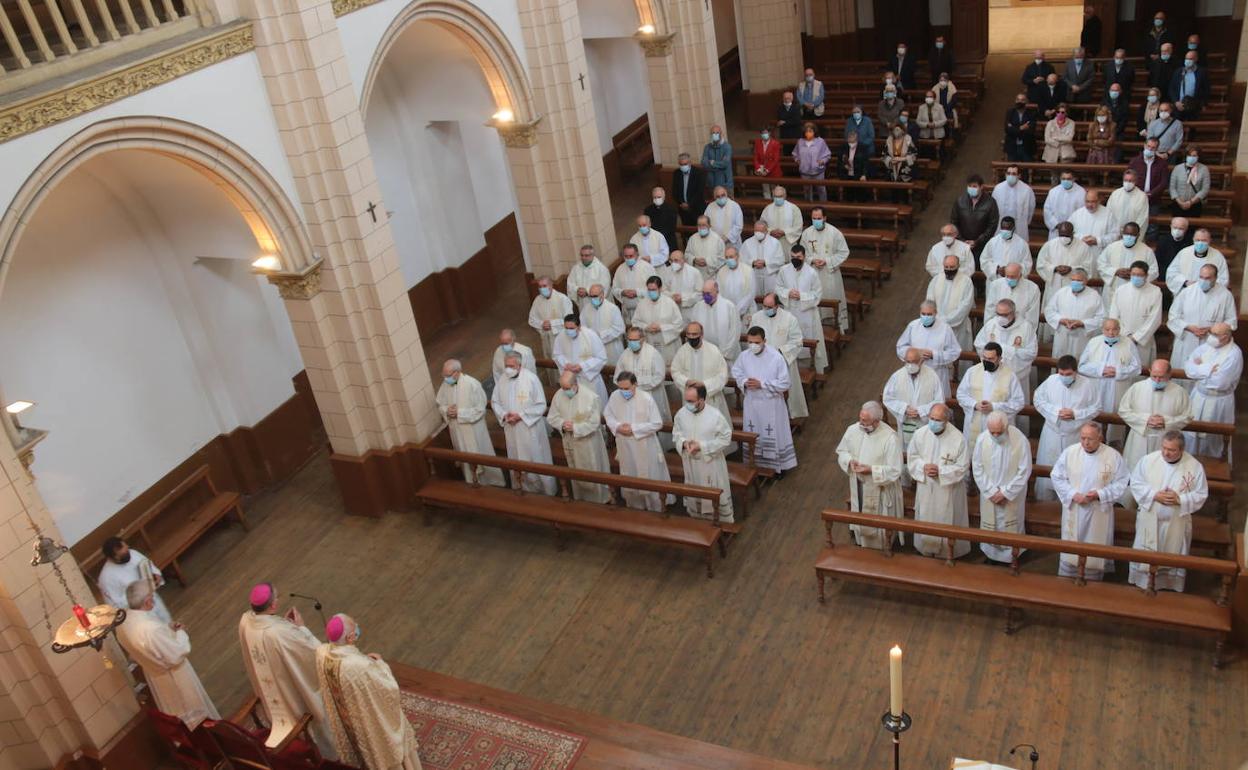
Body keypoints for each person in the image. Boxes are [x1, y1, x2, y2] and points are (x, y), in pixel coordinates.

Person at [239, 583, 336, 756]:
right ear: (273, 605)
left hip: (273, 686)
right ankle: (324, 753)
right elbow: (312, 651)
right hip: (290, 688)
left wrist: (284, 625)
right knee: (312, 708)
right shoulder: (278, 633)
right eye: (276, 597)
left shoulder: (245, 621)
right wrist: (300, 628)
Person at [316, 615, 423, 770]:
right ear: (350, 637)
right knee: (388, 737)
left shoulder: (321, 653)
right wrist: (379, 664)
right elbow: (389, 688)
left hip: (347, 722)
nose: (357, 628)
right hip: (368, 723)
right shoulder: (360, 666)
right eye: (355, 628)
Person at [117, 581, 218, 729]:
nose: (153, 599)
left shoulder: (123, 622)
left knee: (176, 715)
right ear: (147, 601)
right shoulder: (151, 629)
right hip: (175, 677)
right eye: (152, 596)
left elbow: (150, 645)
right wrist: (180, 632)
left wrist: (166, 629)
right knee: (194, 716)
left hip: (155, 676)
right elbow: (176, 654)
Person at [1127, 432, 1207, 593]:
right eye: (1164, 448)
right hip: (1149, 518)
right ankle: (1142, 581)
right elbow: (1135, 483)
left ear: (1182, 450)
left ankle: (1169, 584)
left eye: (1171, 450)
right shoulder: (1149, 460)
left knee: (1172, 552)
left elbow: (1201, 494)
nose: (1166, 453)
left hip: (1176, 522)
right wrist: (1154, 495)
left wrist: (1180, 499)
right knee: (1145, 551)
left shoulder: (1194, 466)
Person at [1050, 423, 1129, 580]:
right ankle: (1069, 575)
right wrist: (1073, 494)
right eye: (1083, 438)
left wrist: (1100, 494)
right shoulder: (1070, 453)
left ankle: (1093, 579)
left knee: (1094, 543)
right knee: (1072, 545)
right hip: (1075, 507)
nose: (1086, 442)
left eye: (1090, 439)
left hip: (1098, 510)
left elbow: (1122, 481)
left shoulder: (1112, 456)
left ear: (1100, 437)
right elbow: (1057, 476)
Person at [836, 401, 904, 549]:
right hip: (858, 484)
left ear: (877, 421)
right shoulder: (853, 430)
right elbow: (842, 451)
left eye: (865, 421)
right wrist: (849, 461)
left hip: (879, 489)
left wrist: (871, 470)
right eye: (860, 419)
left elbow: (895, 470)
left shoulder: (890, 438)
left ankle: (882, 547)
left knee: (879, 526)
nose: (861, 423)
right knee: (860, 513)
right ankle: (862, 544)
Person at [906, 403, 969, 558]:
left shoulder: (958, 439)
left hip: (947, 489)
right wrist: (923, 467)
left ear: (946, 421)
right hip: (926, 486)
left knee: (948, 519)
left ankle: (948, 552)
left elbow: (962, 467)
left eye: (938, 420)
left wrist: (941, 472)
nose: (933, 422)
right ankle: (925, 549)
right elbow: (912, 457)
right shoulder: (920, 434)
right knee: (925, 516)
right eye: (931, 418)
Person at [1033, 355, 1100, 500]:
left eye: (1068, 374)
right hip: (1053, 433)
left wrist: (1075, 414)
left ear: (1076, 372)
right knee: (1049, 468)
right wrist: (1056, 412)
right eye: (1061, 374)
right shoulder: (1051, 381)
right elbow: (1038, 400)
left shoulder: (1087, 385)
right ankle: (1045, 501)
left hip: (1075, 435)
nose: (1064, 377)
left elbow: (1096, 408)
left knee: (1072, 471)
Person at [732, 327, 796, 475]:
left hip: (771, 404)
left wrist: (762, 384)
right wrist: (745, 382)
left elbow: (785, 383)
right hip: (752, 403)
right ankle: (755, 467)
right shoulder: (744, 356)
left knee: (774, 434)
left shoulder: (776, 357)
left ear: (764, 341)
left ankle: (778, 468)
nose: (753, 345)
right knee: (754, 432)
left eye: (757, 342)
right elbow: (736, 372)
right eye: (750, 342)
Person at [490, 352, 557, 495]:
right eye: (506, 366)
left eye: (511, 366)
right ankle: (522, 488)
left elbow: (541, 405)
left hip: (529, 429)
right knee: (516, 457)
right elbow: (495, 401)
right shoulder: (503, 379)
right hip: (512, 430)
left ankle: (545, 491)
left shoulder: (531, 379)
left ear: (520, 366)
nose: (508, 369)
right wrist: (504, 414)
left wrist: (520, 416)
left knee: (535, 458)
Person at [605, 371, 671, 512]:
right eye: (620, 388)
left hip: (645, 445)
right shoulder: (614, 397)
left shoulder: (646, 399)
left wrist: (634, 429)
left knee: (648, 475)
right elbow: (608, 415)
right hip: (625, 444)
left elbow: (657, 423)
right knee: (629, 473)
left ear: (635, 384)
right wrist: (617, 426)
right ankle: (635, 507)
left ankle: (655, 507)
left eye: (627, 388)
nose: (623, 392)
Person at [972, 411, 1032, 563]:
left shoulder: (1020, 440)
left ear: (1007, 427)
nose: (996, 436)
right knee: (990, 526)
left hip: (1011, 495)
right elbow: (977, 467)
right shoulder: (982, 439)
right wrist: (991, 491)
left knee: (1010, 525)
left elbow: (1024, 470)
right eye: (993, 432)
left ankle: (1012, 556)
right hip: (989, 495)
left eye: (1000, 432)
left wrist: (1005, 493)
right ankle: (991, 555)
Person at [436, 360, 505, 487]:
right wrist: (447, 410)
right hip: (457, 431)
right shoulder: (445, 385)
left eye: (447, 375)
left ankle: (492, 484)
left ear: (457, 373)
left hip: (473, 431)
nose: (445, 378)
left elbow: (480, 410)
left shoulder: (472, 384)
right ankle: (471, 483)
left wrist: (459, 413)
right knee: (464, 457)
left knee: (480, 456)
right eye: (444, 375)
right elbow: (440, 404)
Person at [673, 383, 735, 522]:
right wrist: (683, 443)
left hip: (710, 463)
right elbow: (676, 433)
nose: (686, 404)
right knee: (694, 492)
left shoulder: (715, 415)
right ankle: (697, 520)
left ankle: (720, 523)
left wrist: (702, 446)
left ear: (701, 400)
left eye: (690, 401)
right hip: (690, 462)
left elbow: (726, 438)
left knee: (713, 491)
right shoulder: (681, 414)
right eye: (685, 400)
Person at [546, 371, 611, 503]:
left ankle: (599, 500)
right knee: (575, 470)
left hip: (588, 442)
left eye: (567, 388)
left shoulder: (590, 397)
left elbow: (594, 423)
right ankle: (581, 498)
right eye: (562, 388)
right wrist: (562, 424)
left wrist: (575, 428)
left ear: (575, 384)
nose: (564, 391)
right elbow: (552, 417)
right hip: (570, 440)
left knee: (591, 470)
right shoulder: (559, 395)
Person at [883, 347, 944, 486]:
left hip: (925, 424)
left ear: (921, 360)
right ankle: (907, 484)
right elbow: (888, 398)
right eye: (907, 361)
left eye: (914, 361)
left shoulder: (932, 375)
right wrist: (904, 409)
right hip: (905, 425)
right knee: (906, 453)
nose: (910, 365)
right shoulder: (897, 376)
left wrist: (921, 411)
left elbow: (939, 401)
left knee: (925, 453)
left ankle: (924, 482)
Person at [1120, 359, 1192, 476]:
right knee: (1136, 472)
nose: (1157, 380)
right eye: (1154, 376)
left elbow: (1187, 416)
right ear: (1149, 371)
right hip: (1140, 437)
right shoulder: (1137, 388)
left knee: (1160, 474)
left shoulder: (1180, 392)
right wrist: (1145, 420)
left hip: (1165, 439)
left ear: (1169, 374)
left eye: (1162, 377)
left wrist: (1166, 422)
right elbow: (1123, 411)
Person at [1078, 318, 1141, 444]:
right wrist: (1101, 370)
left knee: (1116, 415)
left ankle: (1114, 441)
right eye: (1107, 329)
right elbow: (1082, 366)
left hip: (1118, 386)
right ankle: (1093, 439)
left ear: (1119, 329)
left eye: (1114, 329)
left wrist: (1118, 371)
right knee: (1096, 412)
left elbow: (1137, 367)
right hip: (1098, 386)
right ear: (1102, 329)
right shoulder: (1094, 342)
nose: (1111, 333)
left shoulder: (1128, 343)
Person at [1184, 323, 1241, 458]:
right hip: (1198, 396)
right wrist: (1209, 369)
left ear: (1226, 336)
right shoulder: (1206, 347)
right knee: (1191, 436)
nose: (1210, 337)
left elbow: (1220, 383)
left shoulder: (1234, 354)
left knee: (1214, 440)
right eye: (1211, 333)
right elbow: (1188, 369)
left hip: (1218, 402)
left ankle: (1215, 468)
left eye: (1215, 334)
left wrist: (1200, 368)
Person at [751, 294, 809, 420]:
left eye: (769, 307)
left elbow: (797, 341)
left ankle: (787, 417)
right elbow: (752, 338)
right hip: (762, 362)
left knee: (783, 392)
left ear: (777, 306)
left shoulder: (789, 319)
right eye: (764, 306)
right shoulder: (756, 317)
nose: (766, 309)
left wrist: (780, 352)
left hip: (782, 362)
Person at [1167, 265, 1237, 367]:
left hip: (1210, 342)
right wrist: (1188, 327)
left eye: (1208, 278)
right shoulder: (1187, 292)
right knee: (1182, 371)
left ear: (1215, 278)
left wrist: (1212, 329)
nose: (1203, 281)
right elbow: (1173, 317)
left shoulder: (1225, 295)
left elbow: (1231, 321)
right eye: (1201, 277)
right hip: (1187, 340)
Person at [957, 342, 1024, 447]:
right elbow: (961, 394)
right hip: (975, 422)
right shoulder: (972, 371)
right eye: (984, 358)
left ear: (999, 358)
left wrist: (994, 406)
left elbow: (1018, 402)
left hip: (998, 425)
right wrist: (975, 404)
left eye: (991, 359)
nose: (986, 361)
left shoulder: (1010, 376)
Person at [777, 244, 826, 373]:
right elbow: (778, 288)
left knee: (808, 338)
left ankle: (811, 369)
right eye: (793, 257)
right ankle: (793, 369)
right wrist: (788, 293)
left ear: (804, 257)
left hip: (807, 312)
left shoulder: (811, 273)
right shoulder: (784, 270)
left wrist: (801, 296)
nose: (795, 259)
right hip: (790, 311)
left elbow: (818, 294)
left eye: (798, 257)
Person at [974, 299, 1038, 398]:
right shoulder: (991, 325)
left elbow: (1031, 353)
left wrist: (1010, 350)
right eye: (998, 314)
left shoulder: (1026, 327)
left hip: (1017, 376)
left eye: (1004, 315)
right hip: (994, 375)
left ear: (1013, 313)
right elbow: (979, 344)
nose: (1000, 318)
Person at [896, 300, 961, 394]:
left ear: (935, 313)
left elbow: (955, 351)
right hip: (914, 372)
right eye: (923, 314)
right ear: (920, 312)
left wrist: (933, 355)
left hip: (937, 373)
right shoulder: (913, 326)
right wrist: (915, 353)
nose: (926, 317)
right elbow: (900, 347)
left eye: (929, 314)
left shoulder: (945, 329)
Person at [98, 537, 169, 622]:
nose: (129, 551)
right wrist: (140, 599)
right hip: (139, 614)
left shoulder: (133, 553)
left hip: (153, 599)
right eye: (125, 553)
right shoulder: (106, 578)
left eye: (127, 548)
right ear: (115, 557)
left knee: (170, 625)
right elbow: (115, 605)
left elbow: (147, 563)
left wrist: (156, 574)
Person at [801, 207, 850, 331]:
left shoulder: (834, 233)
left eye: (819, 218)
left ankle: (836, 330)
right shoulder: (807, 233)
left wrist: (827, 261)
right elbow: (802, 253)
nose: (816, 221)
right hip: (813, 272)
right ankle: (818, 329)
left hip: (829, 274)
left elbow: (844, 252)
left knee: (831, 299)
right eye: (814, 218)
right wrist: (812, 260)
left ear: (824, 218)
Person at [671, 322, 730, 421]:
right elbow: (675, 371)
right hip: (690, 400)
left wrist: (704, 385)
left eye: (694, 334)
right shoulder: (682, 351)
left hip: (710, 399)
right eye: (688, 334)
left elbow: (722, 375)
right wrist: (686, 381)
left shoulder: (713, 351)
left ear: (701, 335)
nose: (691, 337)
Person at [1108, 261, 1163, 363]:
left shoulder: (1155, 291)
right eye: (1133, 274)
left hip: (1143, 341)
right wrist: (1124, 334)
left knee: (1141, 368)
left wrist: (1137, 337)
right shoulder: (1121, 290)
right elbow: (1114, 315)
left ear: (1146, 276)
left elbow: (1155, 319)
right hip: (1122, 337)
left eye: (1139, 275)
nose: (1136, 277)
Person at [617, 327, 672, 427]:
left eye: (635, 340)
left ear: (643, 339)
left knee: (655, 421)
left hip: (652, 394)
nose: (631, 342)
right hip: (631, 397)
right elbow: (618, 376)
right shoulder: (624, 355)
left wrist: (639, 386)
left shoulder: (653, 353)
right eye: (629, 340)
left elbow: (659, 376)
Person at [1045, 268, 1103, 360]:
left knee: (1080, 362)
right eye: (1073, 280)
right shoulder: (1061, 293)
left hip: (1082, 337)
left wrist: (1083, 323)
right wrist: (1061, 320)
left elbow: (1101, 318)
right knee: (1060, 361)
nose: (1075, 282)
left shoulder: (1094, 295)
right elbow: (1049, 310)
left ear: (1086, 281)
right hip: (1063, 334)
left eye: (1079, 280)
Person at [1097, 222, 1156, 311]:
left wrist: (1137, 276)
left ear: (1138, 235)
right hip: (1113, 290)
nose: (1129, 237)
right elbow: (1101, 264)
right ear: (1122, 233)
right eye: (1126, 234)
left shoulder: (1147, 251)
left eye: (1132, 235)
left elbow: (1154, 271)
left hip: (1136, 292)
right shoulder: (1112, 247)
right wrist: (1115, 271)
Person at [1037, 221, 1095, 310]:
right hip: (1054, 285)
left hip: (1073, 287)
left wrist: (1072, 269)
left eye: (1067, 235)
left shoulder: (1083, 247)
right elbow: (1041, 264)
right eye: (1061, 235)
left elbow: (1088, 267)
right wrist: (1055, 268)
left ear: (1073, 233)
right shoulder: (1050, 245)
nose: (1064, 238)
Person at [554, 313, 607, 403]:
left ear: (579, 327)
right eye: (566, 328)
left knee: (593, 405)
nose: (568, 331)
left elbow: (601, 358)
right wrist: (565, 364)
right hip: (571, 381)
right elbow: (557, 354)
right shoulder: (561, 336)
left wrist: (583, 366)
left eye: (571, 328)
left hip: (589, 379)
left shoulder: (590, 335)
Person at [690, 279, 741, 368]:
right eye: (704, 293)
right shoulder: (698, 307)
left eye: (708, 293)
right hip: (705, 355)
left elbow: (734, 333)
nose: (706, 296)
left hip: (726, 355)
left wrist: (725, 354)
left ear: (717, 291)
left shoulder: (729, 306)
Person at [633, 275, 684, 364]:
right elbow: (635, 322)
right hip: (650, 342)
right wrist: (646, 327)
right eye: (649, 290)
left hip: (668, 346)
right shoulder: (642, 304)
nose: (651, 292)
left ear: (660, 289)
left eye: (653, 290)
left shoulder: (669, 303)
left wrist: (661, 328)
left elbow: (679, 325)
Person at [926, 254, 974, 349]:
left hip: (958, 327)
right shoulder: (936, 279)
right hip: (937, 325)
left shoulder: (966, 282)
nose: (949, 269)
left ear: (958, 266)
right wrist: (937, 319)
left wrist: (946, 320)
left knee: (958, 354)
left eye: (952, 267)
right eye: (946, 267)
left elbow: (965, 306)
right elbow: (930, 301)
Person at [949, 174, 998, 262]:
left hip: (982, 246)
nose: (971, 188)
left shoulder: (990, 203)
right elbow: (954, 222)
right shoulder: (960, 201)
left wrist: (977, 241)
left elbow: (992, 225)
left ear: (981, 187)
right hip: (961, 245)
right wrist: (962, 240)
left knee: (979, 270)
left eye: (974, 186)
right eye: (969, 186)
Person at [1166, 228, 1229, 295]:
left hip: (1209, 295)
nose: (1200, 243)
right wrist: (1185, 282)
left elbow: (1223, 279)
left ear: (1210, 241)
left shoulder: (1217, 256)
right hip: (1186, 293)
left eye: (1204, 240)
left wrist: (1206, 285)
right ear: (1193, 240)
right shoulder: (1184, 253)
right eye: (1198, 240)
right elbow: (1172, 273)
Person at [987, 262, 1041, 334]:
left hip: (1021, 330)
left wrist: (1026, 332)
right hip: (998, 328)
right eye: (1007, 276)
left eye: (1013, 277)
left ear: (1020, 275)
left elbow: (1032, 315)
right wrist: (991, 329)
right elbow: (990, 309)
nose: (1009, 279)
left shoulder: (1032, 288)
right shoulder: (996, 285)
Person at [528, 276, 574, 362]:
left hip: (561, 338)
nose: (542, 289)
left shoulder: (562, 299)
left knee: (563, 361)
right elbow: (531, 319)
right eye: (540, 286)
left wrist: (552, 324)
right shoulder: (537, 300)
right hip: (546, 338)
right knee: (549, 360)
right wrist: (541, 324)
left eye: (544, 286)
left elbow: (569, 320)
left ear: (551, 285)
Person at [740, 222, 784, 306]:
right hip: (753, 277)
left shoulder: (775, 243)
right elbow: (741, 260)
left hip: (769, 278)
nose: (758, 233)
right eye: (756, 231)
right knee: (755, 303)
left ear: (766, 231)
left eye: (761, 231)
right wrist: (752, 263)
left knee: (770, 302)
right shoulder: (747, 243)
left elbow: (780, 260)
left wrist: (766, 263)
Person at [1069, 189, 1117, 264]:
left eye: (1093, 201)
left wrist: (1098, 240)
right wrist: (1081, 238)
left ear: (1099, 201)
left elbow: (1115, 235)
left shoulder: (1108, 214)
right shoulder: (1077, 214)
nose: (1090, 205)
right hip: (1080, 254)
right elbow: (1069, 232)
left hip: (1099, 254)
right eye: (1087, 201)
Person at [611, 244, 656, 325]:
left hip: (644, 310)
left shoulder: (647, 268)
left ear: (637, 254)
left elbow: (655, 290)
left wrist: (637, 293)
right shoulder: (620, 269)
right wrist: (623, 292)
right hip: (627, 311)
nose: (628, 259)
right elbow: (614, 289)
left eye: (631, 256)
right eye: (626, 256)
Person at [580, 283, 625, 361]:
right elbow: (582, 328)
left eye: (595, 296)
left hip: (611, 348)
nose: (593, 298)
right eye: (591, 296)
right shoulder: (585, 309)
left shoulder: (612, 308)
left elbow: (620, 329)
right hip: (594, 348)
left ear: (603, 295)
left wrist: (601, 335)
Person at [992, 165, 1035, 241]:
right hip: (1001, 226)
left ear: (1019, 176)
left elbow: (1030, 209)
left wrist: (1024, 222)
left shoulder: (1027, 190)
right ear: (1005, 175)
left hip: (1019, 227)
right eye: (1008, 173)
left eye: (1014, 174)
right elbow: (993, 208)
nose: (1010, 175)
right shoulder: (998, 188)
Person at [718, 245, 757, 322]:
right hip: (727, 312)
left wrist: (738, 310)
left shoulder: (748, 271)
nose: (729, 259)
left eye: (731, 257)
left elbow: (751, 292)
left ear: (738, 256)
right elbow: (719, 292)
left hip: (745, 311)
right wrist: (729, 310)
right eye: (727, 257)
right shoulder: (721, 272)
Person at [660, 251, 702, 323]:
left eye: (676, 260)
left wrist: (683, 299)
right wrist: (672, 296)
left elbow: (700, 294)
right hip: (673, 309)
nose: (673, 263)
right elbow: (662, 290)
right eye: (671, 261)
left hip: (690, 311)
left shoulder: (694, 272)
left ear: (683, 260)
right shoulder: (666, 271)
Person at [1043, 170, 1085, 239]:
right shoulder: (1053, 192)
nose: (1066, 181)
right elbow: (1047, 210)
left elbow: (1082, 213)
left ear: (1074, 179)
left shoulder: (1081, 192)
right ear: (1060, 179)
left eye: (1068, 179)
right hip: (1056, 230)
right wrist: (1057, 225)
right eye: (1063, 179)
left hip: (1074, 230)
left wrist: (1069, 227)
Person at [567, 245, 612, 309]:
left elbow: (605, 287)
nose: (583, 258)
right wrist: (577, 289)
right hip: (583, 304)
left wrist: (587, 291)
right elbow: (570, 284)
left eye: (586, 255)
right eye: (582, 255)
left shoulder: (601, 268)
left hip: (599, 304)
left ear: (593, 255)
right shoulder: (576, 268)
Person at [761, 185, 803, 254]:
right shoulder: (767, 209)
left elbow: (798, 226)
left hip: (787, 242)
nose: (777, 198)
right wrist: (770, 231)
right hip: (771, 241)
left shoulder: (794, 208)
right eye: (775, 196)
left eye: (780, 196)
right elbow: (762, 226)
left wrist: (784, 232)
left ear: (785, 196)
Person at [1169, 146, 1209, 217]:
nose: (1191, 157)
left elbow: (1205, 189)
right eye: (1189, 155)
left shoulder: (1204, 169)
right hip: (1178, 204)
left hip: (1195, 205)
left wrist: (1191, 202)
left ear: (1198, 157)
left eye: (1194, 155)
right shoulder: (1178, 168)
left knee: (1192, 227)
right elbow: (1172, 188)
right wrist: (1179, 202)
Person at [1170, 50, 1210, 120]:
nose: (1188, 61)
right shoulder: (1178, 72)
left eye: (1190, 59)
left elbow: (1206, 89)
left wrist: (1203, 103)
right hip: (1179, 106)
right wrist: (1176, 102)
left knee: (1192, 127)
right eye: (1186, 59)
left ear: (1196, 59)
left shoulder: (1202, 72)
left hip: (1194, 106)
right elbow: (1172, 88)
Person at [672, 152, 707, 226]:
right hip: (683, 209)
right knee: (686, 230)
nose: (683, 166)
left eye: (685, 164)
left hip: (697, 208)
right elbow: (675, 191)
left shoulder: (699, 173)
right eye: (681, 164)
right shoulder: (676, 173)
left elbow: (699, 192)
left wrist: (689, 204)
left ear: (690, 163)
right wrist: (681, 203)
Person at [686, 215, 725, 280]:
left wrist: (707, 261)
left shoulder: (717, 240)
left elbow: (722, 259)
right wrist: (694, 260)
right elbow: (687, 255)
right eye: (699, 225)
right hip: (696, 275)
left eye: (704, 225)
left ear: (709, 226)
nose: (701, 227)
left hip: (712, 277)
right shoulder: (692, 238)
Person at [704, 185, 743, 250]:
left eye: (723, 195)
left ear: (726, 194)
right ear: (714, 197)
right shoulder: (710, 207)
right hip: (715, 243)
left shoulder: (735, 206)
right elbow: (706, 224)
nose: (720, 198)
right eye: (718, 196)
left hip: (732, 243)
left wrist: (726, 238)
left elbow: (738, 226)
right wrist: (715, 239)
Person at [1155, 216, 1193, 282]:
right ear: (1171, 226)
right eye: (1175, 228)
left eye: (1181, 228)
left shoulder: (1190, 242)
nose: (1177, 231)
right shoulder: (1163, 240)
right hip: (1165, 274)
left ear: (1186, 229)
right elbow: (1158, 261)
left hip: (1183, 276)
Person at [1004, 93, 1036, 162]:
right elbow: (1007, 129)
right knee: (1012, 168)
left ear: (1026, 102)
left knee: (1026, 169)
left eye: (1022, 100)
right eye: (1018, 100)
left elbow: (1031, 130)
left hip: (1027, 146)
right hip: (1012, 146)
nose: (1019, 102)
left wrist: (1014, 128)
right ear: (1015, 101)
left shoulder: (1031, 113)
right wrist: (1021, 128)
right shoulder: (1010, 112)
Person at [752, 126, 782, 199]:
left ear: (769, 133)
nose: (764, 134)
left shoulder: (775, 143)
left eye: (766, 133)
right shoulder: (757, 143)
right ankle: (767, 205)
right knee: (765, 190)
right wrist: (758, 168)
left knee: (775, 191)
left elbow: (776, 159)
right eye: (762, 133)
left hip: (773, 171)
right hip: (762, 171)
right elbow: (755, 157)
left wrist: (767, 170)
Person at [700, 126, 733, 193]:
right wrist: (719, 165)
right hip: (711, 184)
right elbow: (704, 163)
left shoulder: (727, 147)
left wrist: (713, 163)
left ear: (721, 134)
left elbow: (725, 164)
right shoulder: (707, 147)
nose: (715, 135)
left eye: (717, 133)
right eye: (713, 133)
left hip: (725, 184)